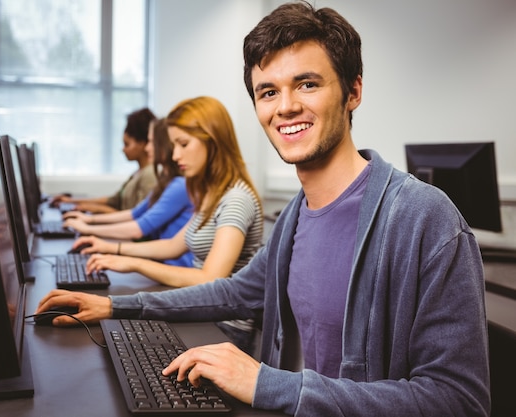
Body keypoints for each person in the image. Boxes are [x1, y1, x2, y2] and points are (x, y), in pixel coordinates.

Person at [37, 2, 490, 416]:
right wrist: (116, 307)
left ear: (353, 92)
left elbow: (459, 400)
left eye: (307, 84)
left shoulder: (424, 218)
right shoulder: (296, 215)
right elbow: (232, 293)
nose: (286, 106)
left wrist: (272, 385)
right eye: (268, 92)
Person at [63, 96, 263, 352]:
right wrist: (114, 250)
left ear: (212, 141)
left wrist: (135, 263)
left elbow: (211, 279)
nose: (175, 154)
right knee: (111, 340)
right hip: (203, 315)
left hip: (224, 329)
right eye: (173, 145)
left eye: (183, 144)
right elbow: (172, 246)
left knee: (113, 343)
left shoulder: (236, 199)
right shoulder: (213, 193)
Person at [63, 118, 195, 267]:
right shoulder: (166, 181)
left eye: (151, 142)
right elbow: (134, 213)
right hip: (164, 264)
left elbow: (139, 228)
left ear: (163, 145)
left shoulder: (180, 185)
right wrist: (88, 221)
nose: (147, 148)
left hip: (174, 268)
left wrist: (89, 229)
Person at [51, 107, 158, 213]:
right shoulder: (138, 173)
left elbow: (138, 218)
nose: (123, 149)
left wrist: (96, 209)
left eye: (127, 144)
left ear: (142, 143)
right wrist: (71, 201)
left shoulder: (150, 175)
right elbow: (113, 201)